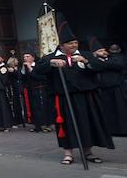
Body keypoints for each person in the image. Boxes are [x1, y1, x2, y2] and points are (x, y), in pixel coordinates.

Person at [35, 17, 114, 165]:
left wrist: (86, 62)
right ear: (62, 45)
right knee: (66, 125)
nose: (74, 45)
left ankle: (88, 151)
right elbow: (37, 71)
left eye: (75, 43)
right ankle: (68, 153)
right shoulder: (51, 58)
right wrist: (51, 64)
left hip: (86, 96)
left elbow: (101, 66)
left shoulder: (86, 55)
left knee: (87, 123)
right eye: (70, 43)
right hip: (64, 98)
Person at [90, 38, 127, 136]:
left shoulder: (117, 58)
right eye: (100, 51)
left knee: (120, 110)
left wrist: (101, 63)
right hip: (103, 90)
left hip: (117, 88)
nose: (103, 52)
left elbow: (118, 65)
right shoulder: (94, 61)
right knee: (107, 111)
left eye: (103, 50)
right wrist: (95, 59)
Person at [20, 52, 54, 132]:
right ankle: (37, 125)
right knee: (33, 108)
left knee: (42, 107)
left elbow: (39, 77)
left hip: (41, 88)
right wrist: (24, 69)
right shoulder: (24, 67)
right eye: (24, 56)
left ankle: (45, 125)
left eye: (27, 56)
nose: (25, 58)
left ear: (33, 58)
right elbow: (21, 78)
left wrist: (30, 69)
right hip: (30, 89)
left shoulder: (39, 66)